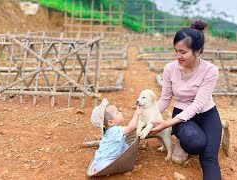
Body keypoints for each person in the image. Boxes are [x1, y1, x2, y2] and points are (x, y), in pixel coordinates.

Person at [150, 20, 222, 180]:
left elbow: (198, 104)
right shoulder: (170, 68)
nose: (178, 56)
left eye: (183, 52)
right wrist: (147, 113)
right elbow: (165, 99)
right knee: (196, 144)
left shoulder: (210, 70)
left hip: (206, 114)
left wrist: (167, 123)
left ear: (198, 51)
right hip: (181, 115)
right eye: (175, 51)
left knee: (209, 158)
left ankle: (196, 139)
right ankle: (188, 138)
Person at [87, 98, 142, 176]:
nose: (120, 112)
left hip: (103, 158)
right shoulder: (115, 131)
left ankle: (109, 164)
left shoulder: (110, 130)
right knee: (112, 164)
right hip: (103, 162)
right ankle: (105, 169)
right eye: (117, 113)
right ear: (111, 122)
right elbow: (131, 127)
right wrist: (137, 114)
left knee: (124, 146)